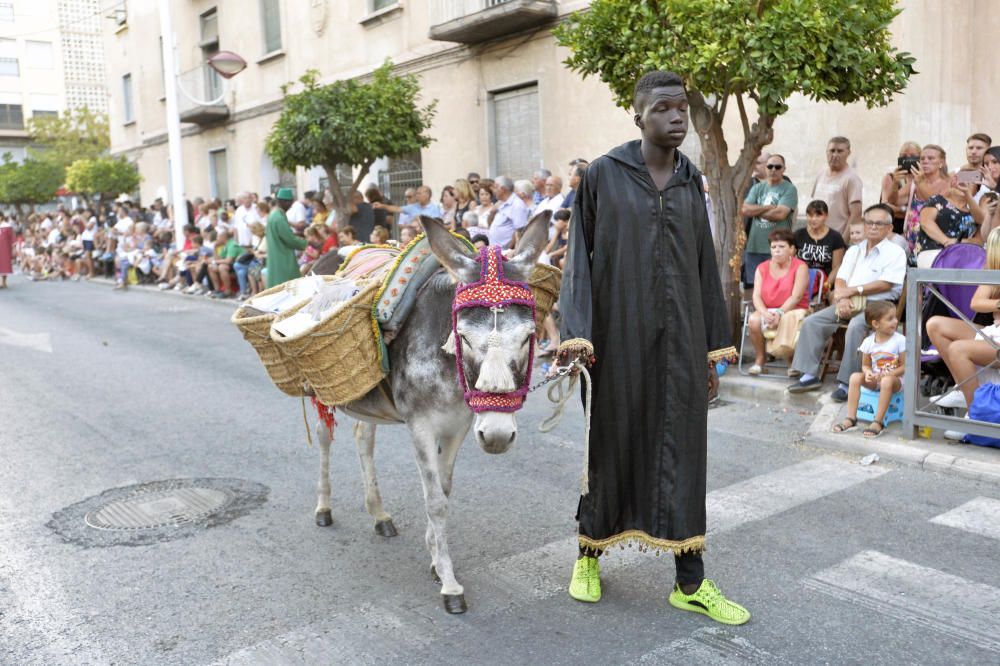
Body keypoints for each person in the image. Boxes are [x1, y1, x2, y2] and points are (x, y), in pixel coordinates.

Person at [559, 70, 749, 624]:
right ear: (637, 117)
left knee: (684, 456)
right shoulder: (602, 176)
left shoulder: (692, 182)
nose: (677, 118)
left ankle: (690, 582)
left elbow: (703, 266)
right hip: (615, 341)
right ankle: (588, 556)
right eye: (664, 108)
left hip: (682, 343)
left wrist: (714, 347)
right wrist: (578, 336)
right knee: (611, 447)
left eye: (682, 109)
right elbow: (579, 262)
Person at [788, 204, 906, 401]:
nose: (873, 227)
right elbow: (841, 278)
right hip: (850, 300)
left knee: (855, 326)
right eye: (869, 222)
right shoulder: (855, 250)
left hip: (879, 304)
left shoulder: (895, 252)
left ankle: (847, 382)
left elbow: (885, 284)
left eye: (879, 223)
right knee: (812, 321)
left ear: (889, 228)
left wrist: (853, 291)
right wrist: (842, 297)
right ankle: (809, 375)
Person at [927, 227, 1000, 412]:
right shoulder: (992, 272)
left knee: (958, 349)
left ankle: (976, 412)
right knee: (935, 325)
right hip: (994, 332)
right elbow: (976, 303)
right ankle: (964, 388)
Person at [831, 300, 906, 438]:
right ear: (876, 324)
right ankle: (851, 418)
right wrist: (868, 373)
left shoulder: (900, 340)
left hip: (896, 381)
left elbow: (905, 366)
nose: (895, 321)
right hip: (876, 380)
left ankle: (878, 421)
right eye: (890, 319)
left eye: (895, 317)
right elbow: (865, 365)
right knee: (855, 377)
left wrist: (888, 375)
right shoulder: (868, 342)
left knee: (886, 381)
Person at [747, 229, 810, 374]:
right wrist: (764, 313)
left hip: (792, 309)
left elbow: (796, 297)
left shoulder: (800, 266)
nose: (777, 251)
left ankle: (792, 362)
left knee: (787, 319)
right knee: (753, 320)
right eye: (774, 247)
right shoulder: (761, 268)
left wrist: (779, 313)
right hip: (768, 309)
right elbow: (756, 296)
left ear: (792, 249)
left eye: (781, 247)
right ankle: (760, 359)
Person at [740, 154, 797, 286]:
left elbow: (780, 214)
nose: (773, 170)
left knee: (777, 287)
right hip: (754, 247)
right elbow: (744, 209)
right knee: (753, 288)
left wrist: (756, 211)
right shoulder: (756, 187)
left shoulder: (789, 188)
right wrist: (768, 208)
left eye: (777, 167)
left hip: (778, 247)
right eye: (770, 166)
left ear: (784, 169)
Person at [915, 177, 985, 268]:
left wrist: (957, 243)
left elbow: (978, 241)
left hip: (961, 255)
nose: (964, 184)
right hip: (933, 251)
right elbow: (926, 222)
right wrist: (946, 241)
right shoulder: (938, 200)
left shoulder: (975, 213)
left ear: (976, 190)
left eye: (970, 182)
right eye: (961, 179)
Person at [810, 137, 863, 236]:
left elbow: (856, 214)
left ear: (848, 153)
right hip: (816, 236)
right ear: (826, 152)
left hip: (836, 238)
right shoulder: (820, 174)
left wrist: (843, 242)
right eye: (832, 151)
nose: (835, 155)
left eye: (840, 151)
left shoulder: (851, 179)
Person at [905, 144, 951, 252]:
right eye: (922, 158)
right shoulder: (915, 181)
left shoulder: (949, 182)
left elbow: (935, 203)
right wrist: (895, 183)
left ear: (941, 163)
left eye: (930, 158)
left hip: (935, 238)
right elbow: (894, 200)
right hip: (913, 236)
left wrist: (920, 184)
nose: (925, 161)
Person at [794, 199, 846, 286]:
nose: (813, 219)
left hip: (825, 280)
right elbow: (790, 260)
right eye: (810, 215)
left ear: (826, 216)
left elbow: (837, 267)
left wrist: (826, 285)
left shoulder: (835, 237)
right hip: (801, 280)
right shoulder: (798, 234)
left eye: (818, 215)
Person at [265, 188, 308, 287]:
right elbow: (289, 239)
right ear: (282, 202)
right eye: (290, 202)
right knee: (287, 288)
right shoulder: (279, 218)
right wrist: (306, 244)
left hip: (276, 254)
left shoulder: (274, 215)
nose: (291, 205)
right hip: (282, 257)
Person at [880, 141, 921, 234]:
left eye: (912, 156)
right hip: (894, 226)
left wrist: (900, 210)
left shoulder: (924, 178)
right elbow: (886, 206)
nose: (908, 159)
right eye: (903, 156)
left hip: (917, 227)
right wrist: (895, 183)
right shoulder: (890, 177)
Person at [487, 176, 529, 248]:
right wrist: (492, 212)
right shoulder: (500, 203)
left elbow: (519, 231)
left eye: (495, 187)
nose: (493, 191)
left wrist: (509, 249)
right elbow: (490, 225)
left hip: (505, 252)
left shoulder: (517, 205)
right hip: (494, 249)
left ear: (502, 189)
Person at [0, 216, 12, 288]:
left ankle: (4, 282)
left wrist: (13, 248)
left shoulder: (7, 226)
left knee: (4, 265)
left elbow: (11, 237)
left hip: (4, 249)